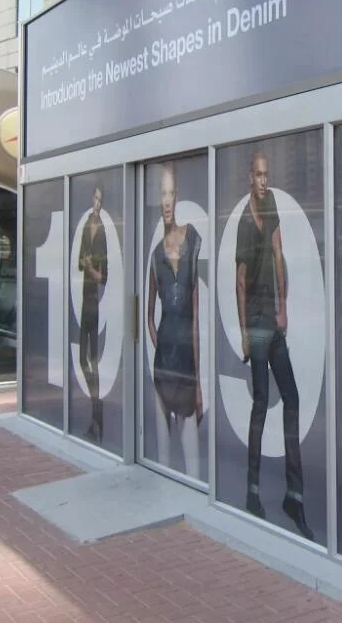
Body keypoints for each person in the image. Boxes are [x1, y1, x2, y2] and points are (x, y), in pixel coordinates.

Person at [236, 150, 312, 540]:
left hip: (274, 322)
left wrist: (285, 308)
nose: (264, 180)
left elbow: (280, 255)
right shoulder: (244, 223)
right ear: (250, 176)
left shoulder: (273, 207)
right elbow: (239, 279)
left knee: (291, 399)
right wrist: (245, 332)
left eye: (268, 174)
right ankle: (251, 490)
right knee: (262, 401)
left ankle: (293, 494)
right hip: (257, 323)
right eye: (259, 174)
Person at [147, 163, 203, 478]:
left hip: (185, 365)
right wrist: (161, 341)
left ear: (176, 196)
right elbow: (147, 318)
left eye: (170, 193)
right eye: (162, 194)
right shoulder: (155, 254)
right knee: (163, 461)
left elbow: (196, 316)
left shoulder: (192, 238)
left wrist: (199, 383)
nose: (166, 201)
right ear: (158, 199)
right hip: (162, 365)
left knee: (192, 466)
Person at [78, 184, 108, 442]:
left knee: (93, 359)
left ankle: (97, 416)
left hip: (94, 301)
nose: (97, 203)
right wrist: (85, 265)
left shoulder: (104, 233)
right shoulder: (87, 225)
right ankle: (96, 408)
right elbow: (80, 261)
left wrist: (90, 268)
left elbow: (103, 277)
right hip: (84, 299)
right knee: (82, 359)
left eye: (101, 199)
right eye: (95, 197)